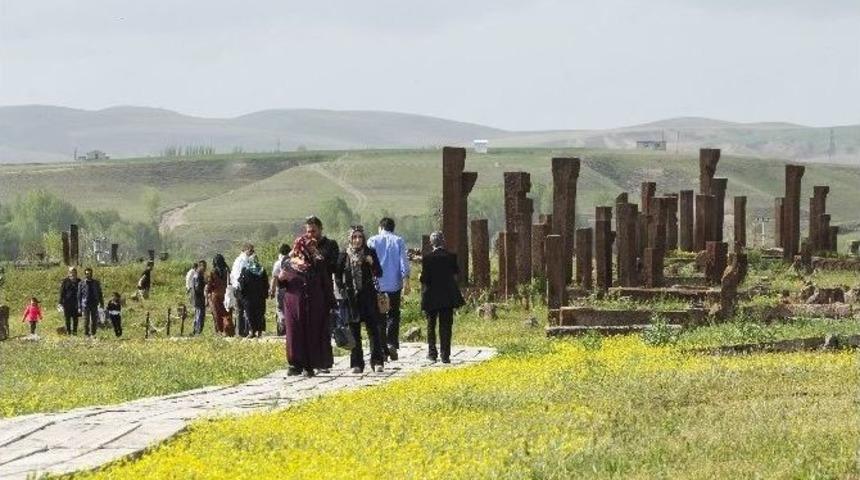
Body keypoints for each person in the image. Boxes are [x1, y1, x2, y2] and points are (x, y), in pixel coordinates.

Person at [280, 232, 335, 377]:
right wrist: (281, 279)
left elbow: (325, 282)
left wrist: (330, 301)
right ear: (301, 246)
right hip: (293, 303)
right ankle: (294, 364)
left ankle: (309, 366)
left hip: (314, 303)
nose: (312, 248)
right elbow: (283, 284)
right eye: (309, 245)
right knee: (294, 333)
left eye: (313, 245)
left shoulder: (318, 261)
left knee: (312, 332)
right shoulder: (288, 262)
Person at [336, 226, 385, 373]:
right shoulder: (344, 255)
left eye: (360, 237)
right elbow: (337, 275)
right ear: (350, 239)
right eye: (354, 237)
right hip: (352, 299)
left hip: (368, 297)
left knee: (373, 330)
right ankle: (357, 363)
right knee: (354, 331)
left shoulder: (370, 252)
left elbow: (379, 272)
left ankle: (377, 361)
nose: (357, 240)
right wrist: (342, 290)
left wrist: (372, 263)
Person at [368, 217, 410, 361]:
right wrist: (406, 281)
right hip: (394, 285)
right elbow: (403, 261)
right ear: (393, 228)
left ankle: (382, 348)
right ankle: (392, 342)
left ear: (380, 227)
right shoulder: (398, 240)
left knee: (379, 317)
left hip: (377, 285)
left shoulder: (372, 241)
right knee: (393, 314)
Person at [420, 232, 464, 363]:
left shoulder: (427, 258)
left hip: (431, 296)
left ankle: (432, 353)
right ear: (443, 241)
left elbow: (425, 278)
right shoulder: (451, 256)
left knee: (431, 325)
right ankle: (445, 355)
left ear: (431, 243)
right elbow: (456, 272)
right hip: (447, 295)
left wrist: (420, 278)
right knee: (446, 325)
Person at [239, 254, 269, 338]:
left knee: (250, 314)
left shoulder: (245, 270)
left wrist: (242, 295)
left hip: (249, 297)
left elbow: (242, 284)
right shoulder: (262, 270)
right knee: (259, 314)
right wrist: (265, 294)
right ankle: (259, 331)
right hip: (260, 296)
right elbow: (266, 284)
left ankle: (252, 331)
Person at [231, 243, 254, 337]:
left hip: (237, 287)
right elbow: (241, 275)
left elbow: (232, 275)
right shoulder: (244, 260)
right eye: (251, 250)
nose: (252, 252)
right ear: (246, 249)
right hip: (242, 288)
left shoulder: (238, 260)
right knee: (244, 310)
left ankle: (240, 331)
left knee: (240, 310)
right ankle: (242, 331)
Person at [206, 254, 232, 336]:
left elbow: (209, 285)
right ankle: (228, 330)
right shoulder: (228, 270)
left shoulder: (213, 272)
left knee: (217, 314)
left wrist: (207, 292)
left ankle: (220, 331)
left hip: (216, 296)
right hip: (226, 295)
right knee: (227, 313)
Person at [270, 243, 291, 336]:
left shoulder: (278, 263)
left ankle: (282, 322)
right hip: (291, 289)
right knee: (289, 308)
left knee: (279, 308)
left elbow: (274, 278)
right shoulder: (293, 261)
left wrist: (272, 290)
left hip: (281, 288)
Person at [77, 267, 104, 338]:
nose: (88, 274)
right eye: (86, 273)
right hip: (85, 304)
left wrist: (102, 303)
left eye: (89, 273)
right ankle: (86, 334)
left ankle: (93, 334)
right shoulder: (81, 283)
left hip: (94, 303)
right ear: (85, 274)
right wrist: (79, 307)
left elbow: (100, 293)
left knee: (94, 320)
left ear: (91, 273)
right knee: (86, 320)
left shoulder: (96, 283)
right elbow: (79, 295)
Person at [58, 267, 81, 335]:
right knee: (67, 318)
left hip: (76, 303)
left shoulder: (79, 281)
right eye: (71, 272)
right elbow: (62, 292)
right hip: (67, 303)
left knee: (75, 318)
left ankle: (75, 331)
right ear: (69, 273)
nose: (72, 273)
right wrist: (60, 302)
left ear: (76, 272)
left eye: (73, 271)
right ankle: (68, 331)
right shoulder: (65, 281)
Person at [191, 260, 207, 335]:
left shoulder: (197, 274)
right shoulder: (198, 275)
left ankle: (196, 330)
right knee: (200, 315)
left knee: (197, 314)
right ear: (200, 266)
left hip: (197, 298)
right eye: (203, 266)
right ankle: (198, 331)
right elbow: (198, 288)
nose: (205, 268)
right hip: (199, 298)